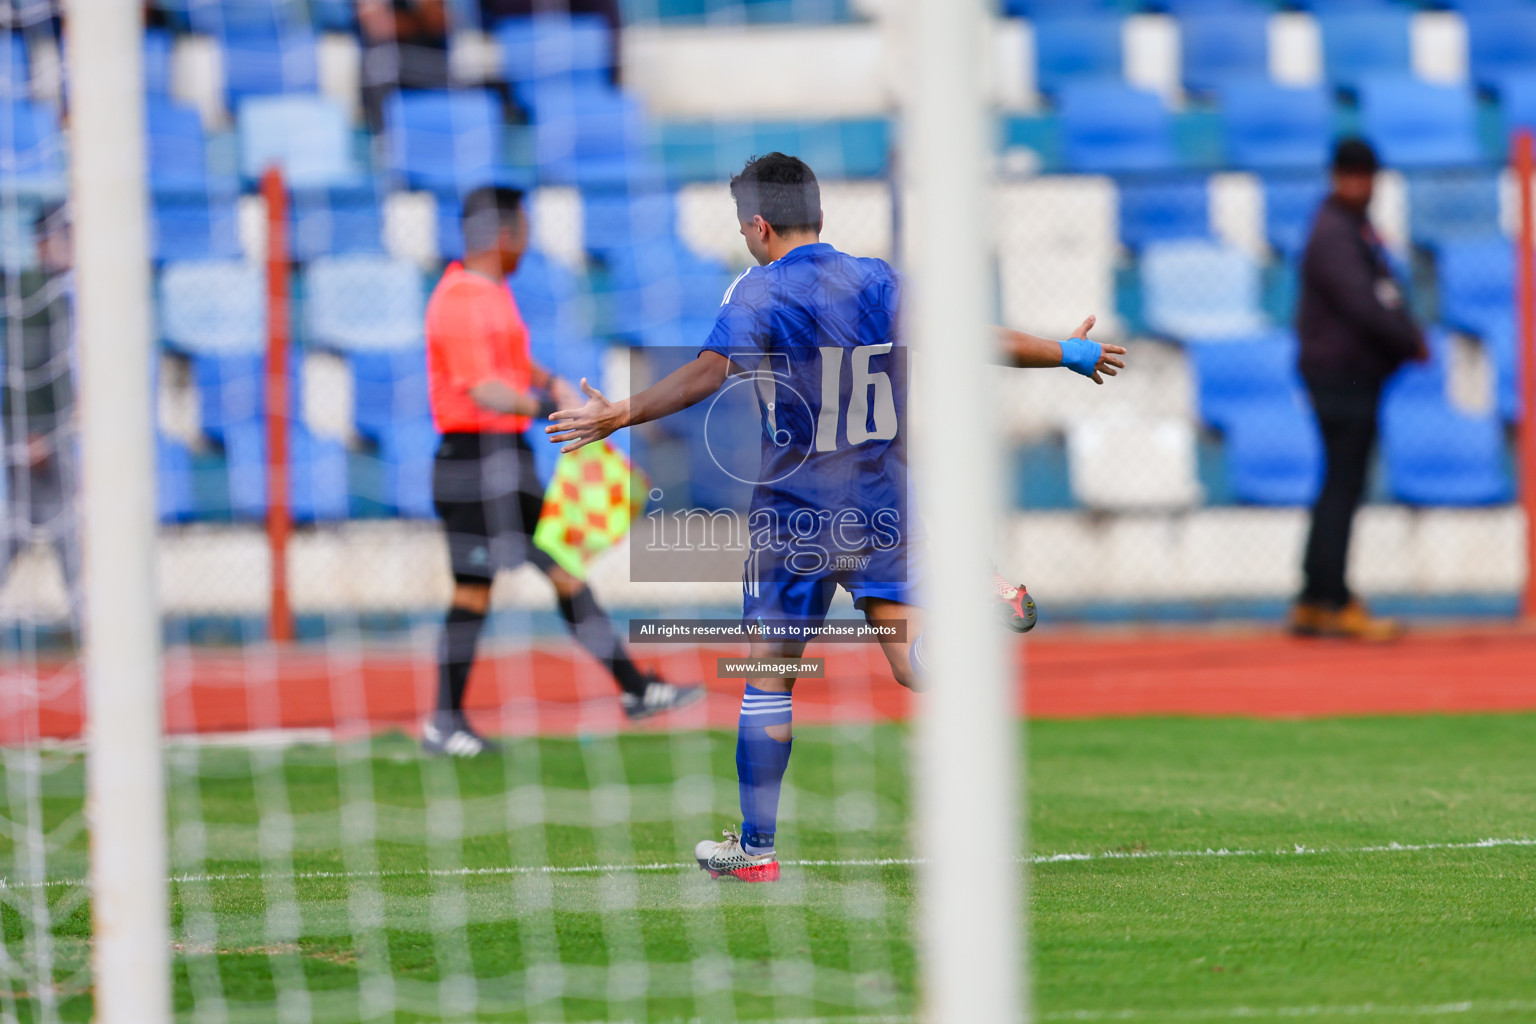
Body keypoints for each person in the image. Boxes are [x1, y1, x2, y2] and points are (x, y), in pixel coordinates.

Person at [548, 153, 1123, 880]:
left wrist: (618, 414)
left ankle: (755, 851)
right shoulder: (879, 279)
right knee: (915, 666)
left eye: (743, 228)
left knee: (769, 678)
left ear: (758, 227)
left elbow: (707, 373)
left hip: (793, 513)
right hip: (880, 501)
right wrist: (1066, 351)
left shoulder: (756, 292)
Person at [423, 184, 702, 757]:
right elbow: (484, 388)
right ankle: (444, 722)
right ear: (504, 235)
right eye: (522, 230)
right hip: (472, 460)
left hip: (506, 459)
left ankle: (635, 690)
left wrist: (548, 379)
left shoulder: (491, 293)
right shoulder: (459, 299)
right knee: (477, 593)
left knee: (563, 569)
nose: (526, 242)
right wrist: (546, 409)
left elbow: (511, 362)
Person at [1291, 137, 1426, 641]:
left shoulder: (1347, 228)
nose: (1361, 185)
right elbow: (1364, 306)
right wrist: (1409, 340)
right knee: (1342, 488)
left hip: (1345, 371)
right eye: (1353, 175)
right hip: (1341, 374)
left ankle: (1313, 597)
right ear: (1337, 177)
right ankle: (1331, 598)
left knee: (1337, 485)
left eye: (1367, 175)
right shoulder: (1336, 233)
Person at [0, 203, 79, 630]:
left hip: (49, 429)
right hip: (38, 433)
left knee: (23, 525)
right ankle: (91, 622)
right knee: (56, 525)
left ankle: (89, 620)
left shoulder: (49, 292)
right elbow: (23, 371)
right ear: (46, 242)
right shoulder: (34, 295)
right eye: (67, 237)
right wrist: (31, 434)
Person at [356, 0, 452, 132]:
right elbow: (377, 26)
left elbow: (439, 20)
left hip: (431, 63)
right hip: (386, 66)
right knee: (379, 66)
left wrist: (412, 19)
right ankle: (383, 137)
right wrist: (420, 19)